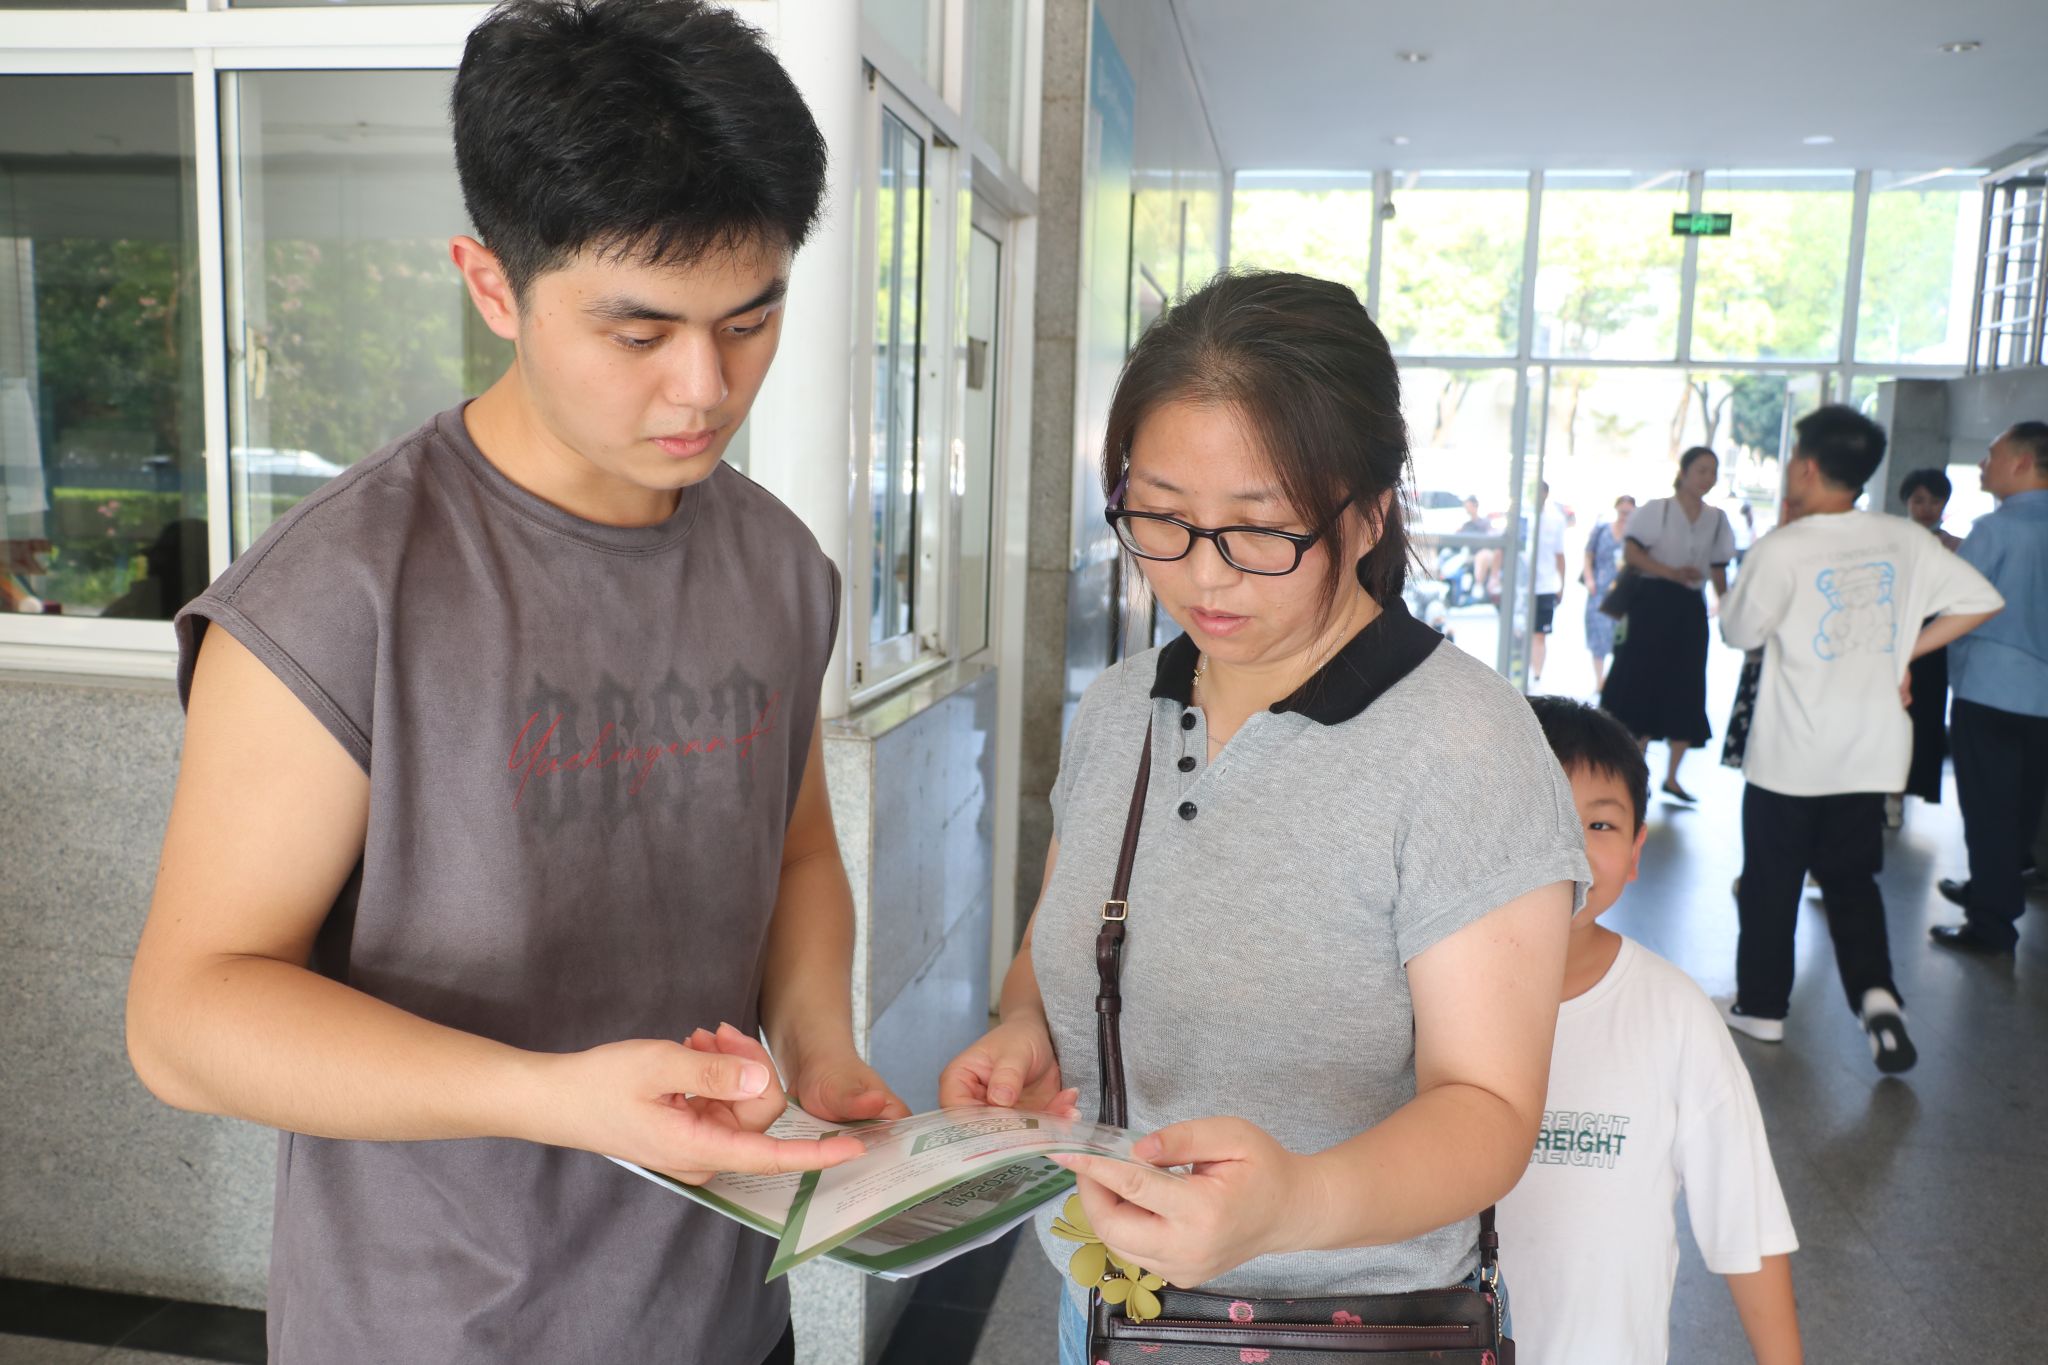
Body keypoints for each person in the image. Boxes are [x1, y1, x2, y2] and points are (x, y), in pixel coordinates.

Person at [123, 6, 905, 1363]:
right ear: (492, 286)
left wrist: (820, 1048)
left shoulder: (779, 565)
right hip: (440, 1327)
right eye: (638, 332)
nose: (705, 388)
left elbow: (792, 856)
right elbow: (186, 1019)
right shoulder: (343, 589)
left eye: (751, 318)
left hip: (725, 1314)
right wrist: (553, 1098)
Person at [936, 271, 1588, 1365]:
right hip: (1104, 1313)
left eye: (1259, 529)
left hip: (1341, 1332)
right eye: (1160, 516)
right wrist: (1024, 1035)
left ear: (1369, 510)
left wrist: (1291, 1202)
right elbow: (1060, 944)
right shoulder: (1121, 708)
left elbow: (1486, 1111)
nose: (1203, 574)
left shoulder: (1463, 744)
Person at [1499, 697, 1801, 1365]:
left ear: (1636, 851)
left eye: (1599, 823)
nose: (1569, 845)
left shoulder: (1674, 1014)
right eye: (1539, 811)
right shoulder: (1416, 999)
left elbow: (1745, 1221)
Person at [1718, 407, 2001, 1072]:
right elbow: (1982, 600)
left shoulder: (1784, 547)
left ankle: (1762, 1006)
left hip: (1789, 756)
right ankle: (1877, 1000)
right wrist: (1904, 653)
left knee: (1772, 883)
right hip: (1871, 752)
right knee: (1851, 881)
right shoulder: (1903, 537)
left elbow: (1738, 632)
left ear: (1808, 468)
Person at [1932, 422, 2048, 955]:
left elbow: (1957, 602)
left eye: (1991, 454)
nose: (1983, 464)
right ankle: (1992, 887)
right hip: (2042, 703)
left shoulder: (1995, 529)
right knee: (2022, 807)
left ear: (2022, 463)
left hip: (1990, 690)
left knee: (1988, 810)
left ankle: (1991, 925)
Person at [1600, 446, 1736, 803]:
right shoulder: (1656, 509)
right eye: (1701, 470)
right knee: (1643, 683)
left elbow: (1719, 568)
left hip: (1690, 608)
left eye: (1713, 471)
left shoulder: (1717, 518)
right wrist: (1671, 572)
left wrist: (1728, 608)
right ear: (1685, 472)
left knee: (1687, 684)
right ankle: (1637, 774)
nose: (1708, 478)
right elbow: (1632, 553)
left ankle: (1672, 777)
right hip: (1652, 604)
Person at [1898, 468, 1961, 817]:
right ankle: (1884, 792)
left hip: (1935, 637)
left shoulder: (1955, 545)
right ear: (1906, 502)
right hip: (1895, 635)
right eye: (1918, 500)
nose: (1926, 508)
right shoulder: (1892, 540)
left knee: (1925, 717)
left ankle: (1905, 791)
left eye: (1935, 501)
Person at [1582, 494, 1635, 693]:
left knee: (1621, 637)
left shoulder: (1635, 535)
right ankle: (1600, 681)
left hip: (1624, 591)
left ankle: (1614, 681)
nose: (1624, 516)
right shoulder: (1602, 530)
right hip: (1599, 589)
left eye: (1628, 513)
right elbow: (1588, 555)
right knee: (1598, 636)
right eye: (1622, 512)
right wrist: (1589, 579)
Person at [1532, 480, 1567, 684]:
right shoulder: (1522, 517)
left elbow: (1560, 555)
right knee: (1521, 631)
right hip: (1522, 586)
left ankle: (1536, 674)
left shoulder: (1556, 520)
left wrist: (1561, 585)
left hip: (1545, 585)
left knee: (1540, 633)